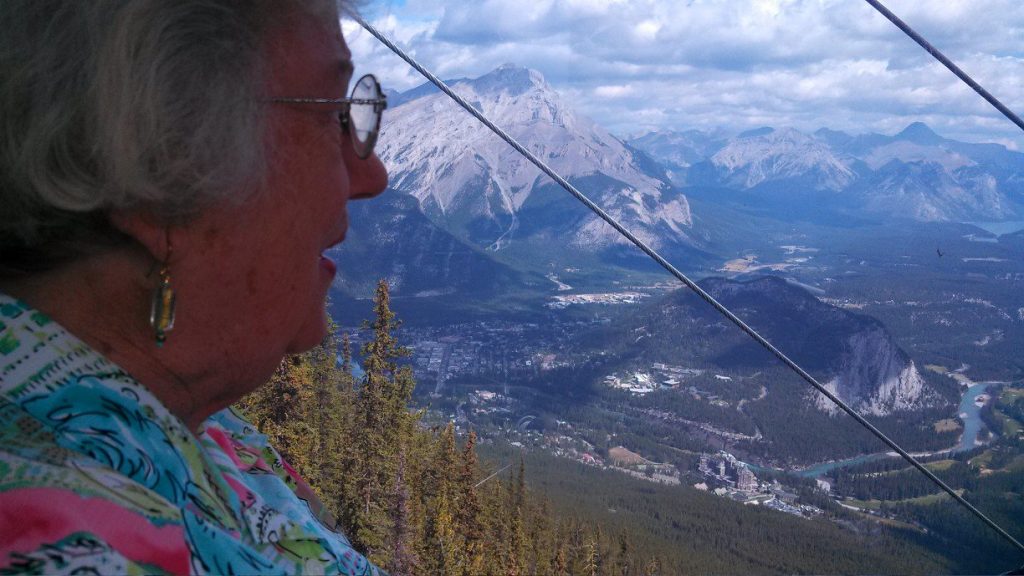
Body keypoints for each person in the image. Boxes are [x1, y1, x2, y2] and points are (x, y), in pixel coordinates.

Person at [0, 0, 388, 573]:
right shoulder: (65, 549)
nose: (372, 176)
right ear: (163, 167)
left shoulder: (182, 426)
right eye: (333, 114)